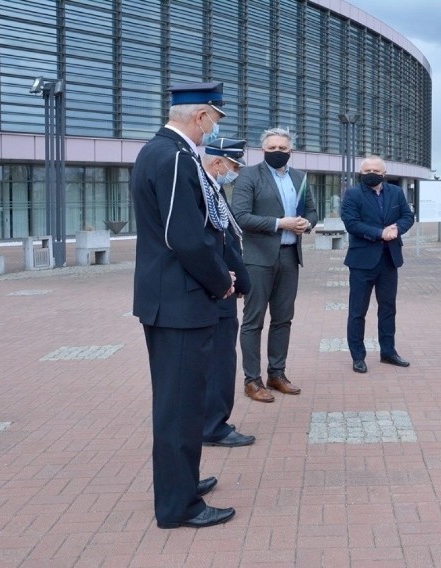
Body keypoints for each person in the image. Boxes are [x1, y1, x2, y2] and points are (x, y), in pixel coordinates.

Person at [131, 82, 236, 529]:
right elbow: (184, 236)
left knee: (184, 403)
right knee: (178, 409)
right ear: (199, 117)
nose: (213, 129)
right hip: (180, 301)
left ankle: (184, 485)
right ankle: (178, 506)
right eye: (214, 119)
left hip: (173, 299)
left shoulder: (161, 152)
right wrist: (221, 281)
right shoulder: (174, 157)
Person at [230, 127, 318, 402]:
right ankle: (252, 380)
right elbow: (240, 216)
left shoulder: (299, 177)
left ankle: (276, 374)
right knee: (253, 321)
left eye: (282, 148)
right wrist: (281, 223)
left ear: (290, 150)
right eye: (272, 149)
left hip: (290, 257)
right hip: (258, 259)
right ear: (263, 150)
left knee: (283, 319)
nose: (277, 152)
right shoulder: (248, 175)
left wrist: (307, 223)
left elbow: (312, 211)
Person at [200, 138, 255, 447]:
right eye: (234, 166)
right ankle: (213, 427)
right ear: (218, 163)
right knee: (220, 362)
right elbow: (215, 244)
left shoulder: (215, 190)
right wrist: (234, 280)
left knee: (220, 359)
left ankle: (213, 422)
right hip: (218, 289)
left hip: (224, 285)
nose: (235, 172)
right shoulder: (205, 191)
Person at [340, 155, 415, 374]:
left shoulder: (396, 192)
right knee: (357, 311)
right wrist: (380, 233)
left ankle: (388, 352)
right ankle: (358, 356)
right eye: (367, 170)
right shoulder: (353, 194)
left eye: (375, 170)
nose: (371, 173)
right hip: (362, 261)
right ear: (361, 173)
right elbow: (352, 223)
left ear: (384, 173)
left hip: (389, 260)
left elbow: (407, 216)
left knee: (388, 309)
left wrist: (396, 230)